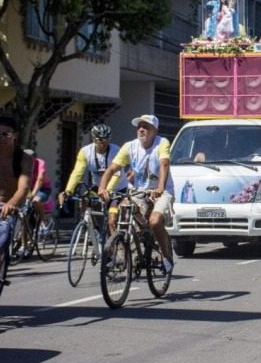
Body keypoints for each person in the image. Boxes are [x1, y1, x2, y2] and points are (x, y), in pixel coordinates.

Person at [98, 115, 175, 273]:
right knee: (119, 217)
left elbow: (164, 164)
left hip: (162, 191)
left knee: (154, 221)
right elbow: (112, 168)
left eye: (146, 127)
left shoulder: (162, 143)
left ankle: (167, 257)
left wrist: (160, 187)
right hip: (137, 192)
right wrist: (102, 187)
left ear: (155, 130)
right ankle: (122, 256)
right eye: (139, 126)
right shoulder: (129, 146)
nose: (141, 129)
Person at [58, 124, 129, 236]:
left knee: (112, 220)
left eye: (106, 140)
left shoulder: (116, 150)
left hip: (118, 187)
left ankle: (115, 242)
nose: (103, 143)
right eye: (100, 140)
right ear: (93, 139)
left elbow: (117, 174)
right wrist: (68, 190)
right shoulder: (85, 152)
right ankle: (90, 225)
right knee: (85, 199)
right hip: (98, 186)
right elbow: (77, 172)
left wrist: (108, 190)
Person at [0, 116, 33, 289]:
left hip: (5, 211)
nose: (2, 138)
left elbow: (23, 188)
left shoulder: (23, 158)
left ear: (15, 135)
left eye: (6, 134)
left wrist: (11, 204)